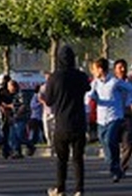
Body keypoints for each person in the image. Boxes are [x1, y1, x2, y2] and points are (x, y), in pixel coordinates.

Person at [43, 44, 90, 196]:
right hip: (79, 122)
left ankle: (60, 188)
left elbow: (49, 100)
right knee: (78, 159)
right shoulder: (80, 76)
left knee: (61, 159)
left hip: (62, 123)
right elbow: (87, 88)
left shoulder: (54, 77)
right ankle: (79, 189)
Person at [86, 56, 132, 183]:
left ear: (100, 69)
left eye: (94, 69)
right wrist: (87, 107)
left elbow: (131, 89)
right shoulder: (95, 83)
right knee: (103, 140)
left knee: (110, 140)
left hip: (114, 116)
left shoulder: (114, 82)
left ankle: (115, 168)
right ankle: (113, 164)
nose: (93, 72)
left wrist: (129, 101)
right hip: (101, 118)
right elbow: (88, 95)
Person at [114, 58, 132, 176]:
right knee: (112, 143)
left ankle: (122, 166)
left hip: (128, 117)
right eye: (120, 67)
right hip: (114, 117)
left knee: (128, 144)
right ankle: (114, 164)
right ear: (115, 70)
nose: (122, 69)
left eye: (124, 67)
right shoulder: (112, 84)